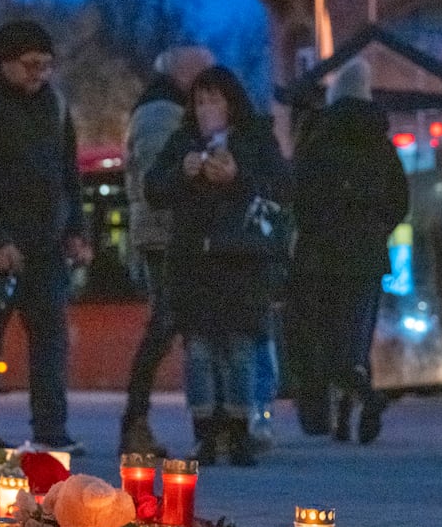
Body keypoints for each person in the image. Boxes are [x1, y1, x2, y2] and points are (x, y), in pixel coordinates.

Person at [0, 19, 92, 453]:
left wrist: (75, 230)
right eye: (31, 65)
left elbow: (68, 175)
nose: (39, 74)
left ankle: (51, 431)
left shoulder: (56, 105)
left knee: (50, 339)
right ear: (6, 61)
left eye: (46, 66)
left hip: (45, 245)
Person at [144, 65, 290, 466]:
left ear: (231, 103)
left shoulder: (255, 139)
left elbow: (279, 188)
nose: (207, 109)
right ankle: (205, 434)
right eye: (200, 101)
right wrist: (184, 172)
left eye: (215, 100)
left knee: (241, 351)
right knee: (200, 352)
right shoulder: (183, 141)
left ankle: (241, 433)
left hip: (242, 262)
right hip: (193, 263)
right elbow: (153, 187)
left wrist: (238, 177)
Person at [287, 58, 410, 444]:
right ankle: (352, 413)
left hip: (320, 254)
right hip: (367, 254)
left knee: (323, 339)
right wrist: (375, 228)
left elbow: (298, 192)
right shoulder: (380, 142)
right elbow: (399, 201)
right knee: (357, 338)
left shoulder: (318, 136)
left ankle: (357, 403)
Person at [119, 45, 214, 456]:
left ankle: (145, 421)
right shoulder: (162, 114)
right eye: (204, 74)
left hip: (168, 235)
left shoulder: (164, 109)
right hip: (165, 236)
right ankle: (135, 421)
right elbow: (161, 182)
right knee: (166, 325)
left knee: (170, 326)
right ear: (184, 72)